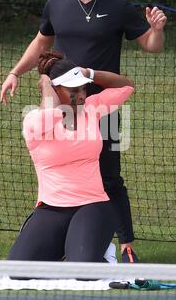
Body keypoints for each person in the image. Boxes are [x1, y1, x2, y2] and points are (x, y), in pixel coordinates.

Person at [0, 0, 167, 262]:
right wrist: (16, 72)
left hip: (102, 107)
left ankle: (125, 245)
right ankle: (65, 239)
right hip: (59, 111)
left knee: (109, 176)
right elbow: (41, 41)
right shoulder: (56, 4)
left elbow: (151, 45)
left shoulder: (118, 8)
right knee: (63, 172)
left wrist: (157, 30)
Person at [8, 51, 134, 262]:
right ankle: (69, 247)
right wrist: (48, 87)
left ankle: (98, 252)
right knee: (19, 272)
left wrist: (89, 73)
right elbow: (49, 116)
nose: (82, 95)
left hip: (93, 205)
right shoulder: (33, 123)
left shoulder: (91, 109)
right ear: (55, 92)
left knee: (81, 270)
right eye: (74, 90)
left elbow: (126, 86)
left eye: (83, 88)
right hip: (51, 208)